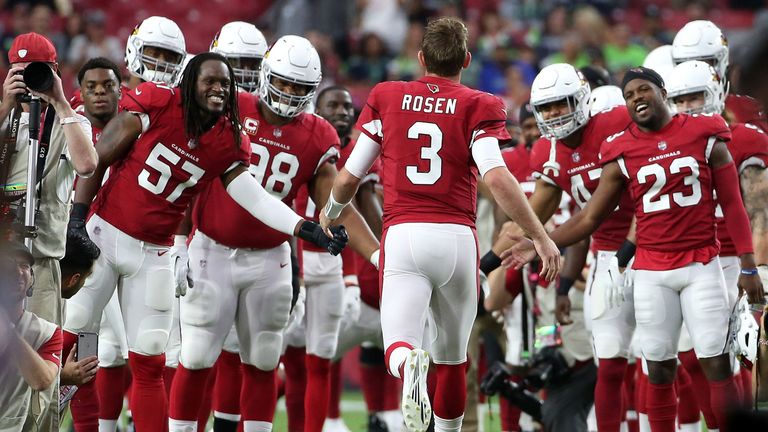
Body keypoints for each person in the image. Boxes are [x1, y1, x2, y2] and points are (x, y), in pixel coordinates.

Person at [62, 52, 349, 430]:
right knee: (73, 336)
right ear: (190, 82)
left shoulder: (227, 138)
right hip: (106, 234)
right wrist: (78, 219)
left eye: (225, 83)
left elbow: (254, 195)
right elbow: (98, 158)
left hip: (156, 252)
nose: (218, 89)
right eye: (209, 81)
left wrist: (304, 227)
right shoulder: (160, 101)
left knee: (149, 359)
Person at [319, 17, 560, 432]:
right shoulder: (480, 104)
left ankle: (408, 364)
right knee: (452, 359)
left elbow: (348, 177)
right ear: (466, 59)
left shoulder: (387, 96)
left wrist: (331, 210)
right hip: (456, 239)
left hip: (405, 235)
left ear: (420, 58)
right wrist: (540, 237)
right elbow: (497, 176)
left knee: (400, 345)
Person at [504, 66, 765, 432]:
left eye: (644, 90)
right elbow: (590, 217)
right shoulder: (620, 147)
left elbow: (735, 203)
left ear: (662, 92)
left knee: (713, 362)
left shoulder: (703, 132)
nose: (637, 98)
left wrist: (749, 263)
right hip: (648, 269)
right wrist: (540, 243)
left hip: (700, 261)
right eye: (630, 94)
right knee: (655, 366)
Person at [0, 31, 97, 429]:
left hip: (42, 263)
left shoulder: (71, 119)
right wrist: (6, 104)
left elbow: (88, 164)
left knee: (43, 369)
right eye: (19, 71)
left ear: (54, 71)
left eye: (36, 71)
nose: (28, 80)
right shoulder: (4, 113)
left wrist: (58, 100)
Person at [666, 59, 768, 427]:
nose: (689, 106)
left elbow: (757, 208)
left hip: (732, 259)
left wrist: (753, 264)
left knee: (731, 354)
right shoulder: (666, 143)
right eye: (681, 99)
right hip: (691, 257)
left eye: (696, 96)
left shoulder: (745, 138)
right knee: (692, 358)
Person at [65, 56, 123, 432]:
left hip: (125, 248)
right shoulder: (66, 121)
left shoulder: (137, 124)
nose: (100, 94)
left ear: (122, 90)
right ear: (80, 92)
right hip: (74, 253)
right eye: (92, 87)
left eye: (108, 87)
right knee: (81, 342)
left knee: (123, 351)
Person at [0, 242, 63, 432]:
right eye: (9, 265)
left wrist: (9, 329)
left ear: (32, 278)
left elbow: (41, 380)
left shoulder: (47, 332)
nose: (18, 272)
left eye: (24, 266)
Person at [672, 20, 768, 132]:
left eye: (702, 63)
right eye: (685, 64)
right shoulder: (665, 111)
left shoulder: (747, 109)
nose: (694, 70)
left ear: (721, 62)